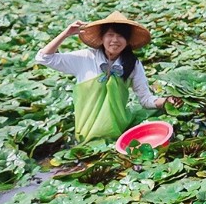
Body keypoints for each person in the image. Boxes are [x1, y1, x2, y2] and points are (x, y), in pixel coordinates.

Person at [35, 12, 182, 142]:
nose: (115, 40)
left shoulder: (133, 64)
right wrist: (65, 34)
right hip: (86, 133)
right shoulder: (85, 58)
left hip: (119, 131)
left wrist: (166, 101)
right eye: (110, 35)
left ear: (127, 41)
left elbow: (145, 99)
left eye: (121, 36)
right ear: (102, 38)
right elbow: (44, 58)